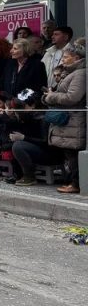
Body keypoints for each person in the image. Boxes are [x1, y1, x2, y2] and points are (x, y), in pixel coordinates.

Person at [44, 39, 85, 194]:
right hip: (67, 120)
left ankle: (76, 184)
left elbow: (73, 97)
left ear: (76, 58)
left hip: (73, 119)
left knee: (73, 152)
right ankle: (72, 181)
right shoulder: (69, 72)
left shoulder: (80, 74)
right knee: (68, 153)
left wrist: (52, 96)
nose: (63, 60)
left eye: (66, 57)